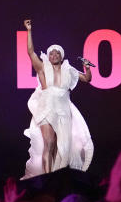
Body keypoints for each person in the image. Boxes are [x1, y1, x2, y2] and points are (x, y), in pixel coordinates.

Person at [22, 19, 94, 178]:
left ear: (61, 56)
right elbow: (30, 52)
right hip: (46, 108)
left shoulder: (69, 70)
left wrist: (87, 67)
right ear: (48, 56)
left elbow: (87, 79)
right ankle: (48, 179)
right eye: (51, 53)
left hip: (63, 109)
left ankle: (58, 174)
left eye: (57, 53)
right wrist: (29, 31)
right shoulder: (42, 67)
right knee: (49, 144)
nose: (54, 55)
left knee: (63, 147)